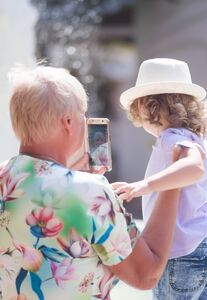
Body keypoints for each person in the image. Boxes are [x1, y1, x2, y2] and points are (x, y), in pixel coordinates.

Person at [0, 65, 181, 299]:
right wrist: (173, 179)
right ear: (67, 122)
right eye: (81, 116)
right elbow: (145, 273)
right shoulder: (89, 192)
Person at [112, 58, 207, 299]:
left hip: (183, 251)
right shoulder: (201, 141)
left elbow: (194, 168)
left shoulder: (172, 139)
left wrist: (144, 186)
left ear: (147, 107)